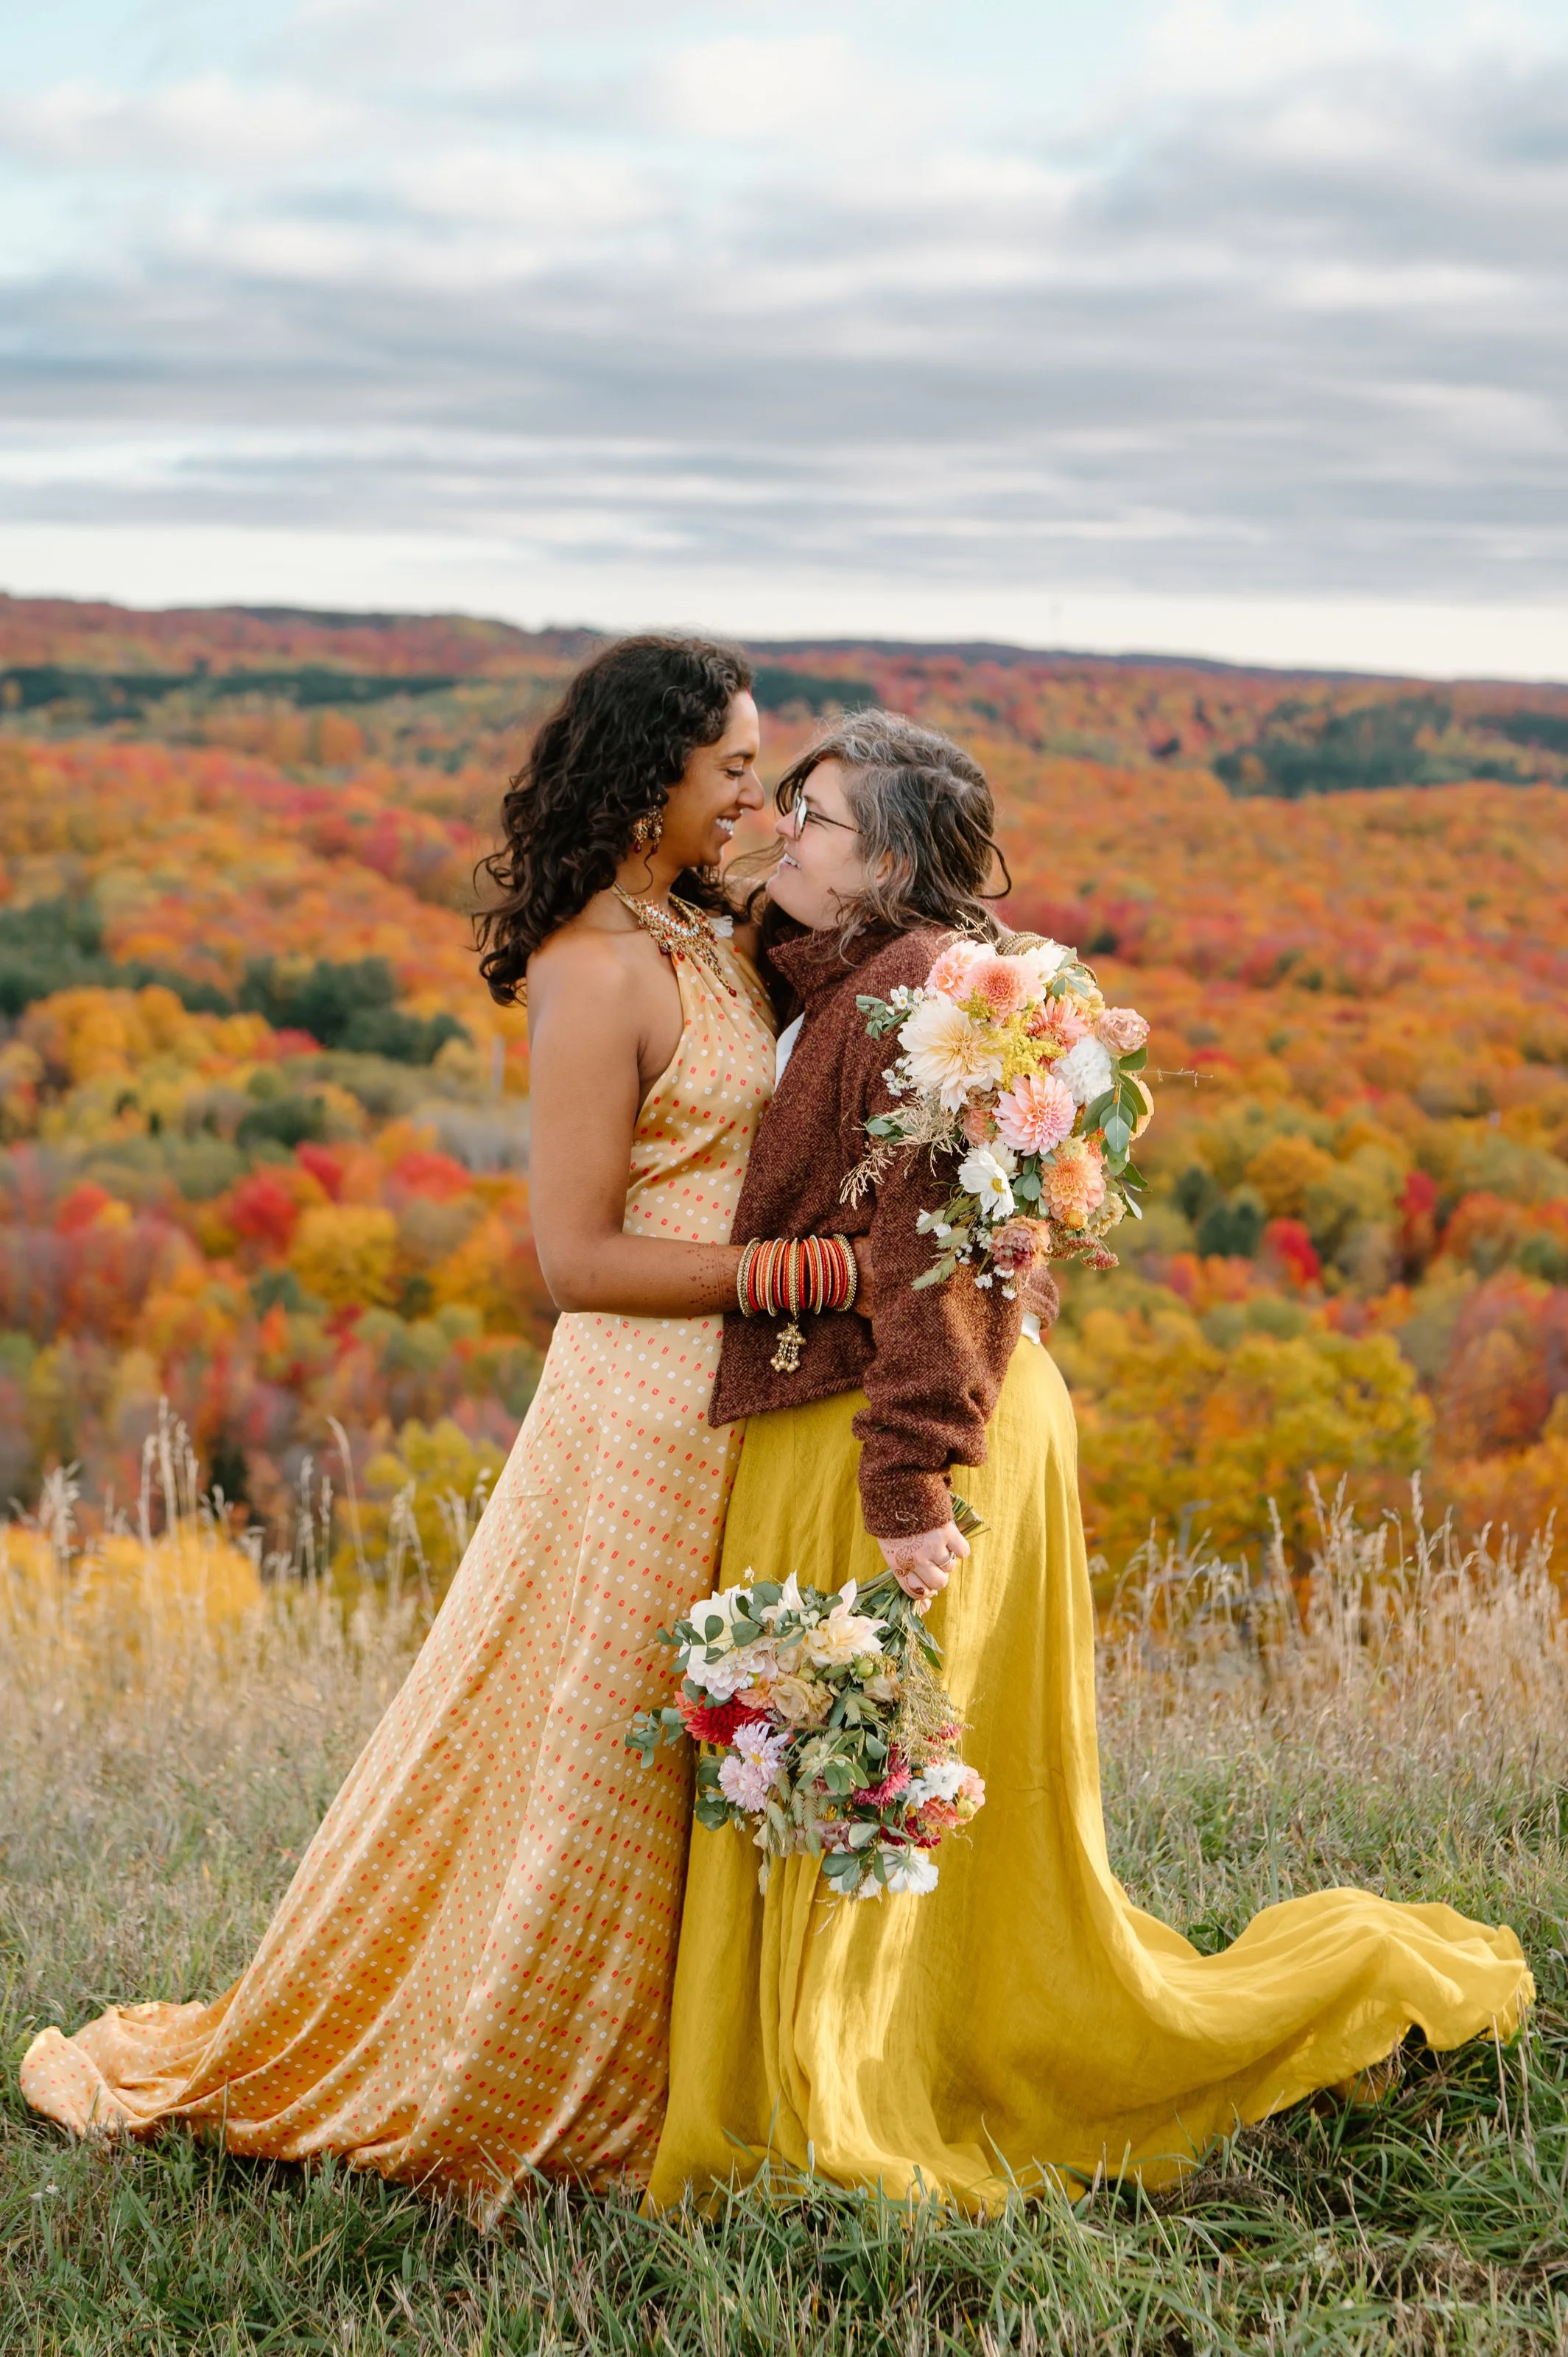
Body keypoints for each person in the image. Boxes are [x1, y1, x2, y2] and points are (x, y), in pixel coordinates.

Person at [18, 636, 869, 2217]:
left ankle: (714, 2063)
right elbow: (573, 1259)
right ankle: (535, 2066)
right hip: (633, 1415)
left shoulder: (701, 926)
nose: (755, 794)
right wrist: (786, 1273)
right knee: (597, 1758)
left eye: (761, 774)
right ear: (649, 783)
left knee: (712, 1748)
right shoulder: (588, 967)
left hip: (740, 1410)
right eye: (733, 771)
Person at [646, 709, 1533, 2213]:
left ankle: (848, 2096)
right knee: (819, 1747)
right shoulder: (828, 966)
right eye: (788, 798)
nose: (787, 828)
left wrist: (911, 1476)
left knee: (869, 1755)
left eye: (822, 817)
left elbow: (950, 1250)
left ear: (900, 866)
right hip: (844, 1416)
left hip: (912, 1421)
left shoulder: (928, 990)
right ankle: (815, 2061)